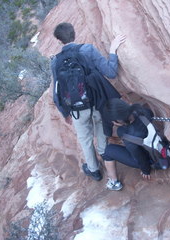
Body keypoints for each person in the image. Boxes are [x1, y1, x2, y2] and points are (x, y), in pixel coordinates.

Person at [51, 22, 126, 181]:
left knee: (85, 140)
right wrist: (112, 51)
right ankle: (107, 158)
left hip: (77, 110)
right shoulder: (88, 50)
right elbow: (110, 72)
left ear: (59, 41)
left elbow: (56, 90)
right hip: (97, 103)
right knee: (101, 133)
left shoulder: (55, 62)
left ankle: (94, 170)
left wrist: (65, 112)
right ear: (74, 33)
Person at [102, 98, 154, 190]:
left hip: (151, 159)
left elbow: (139, 156)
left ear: (117, 120)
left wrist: (145, 170)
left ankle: (114, 182)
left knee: (108, 151)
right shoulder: (144, 111)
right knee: (122, 132)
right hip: (156, 146)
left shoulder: (128, 137)